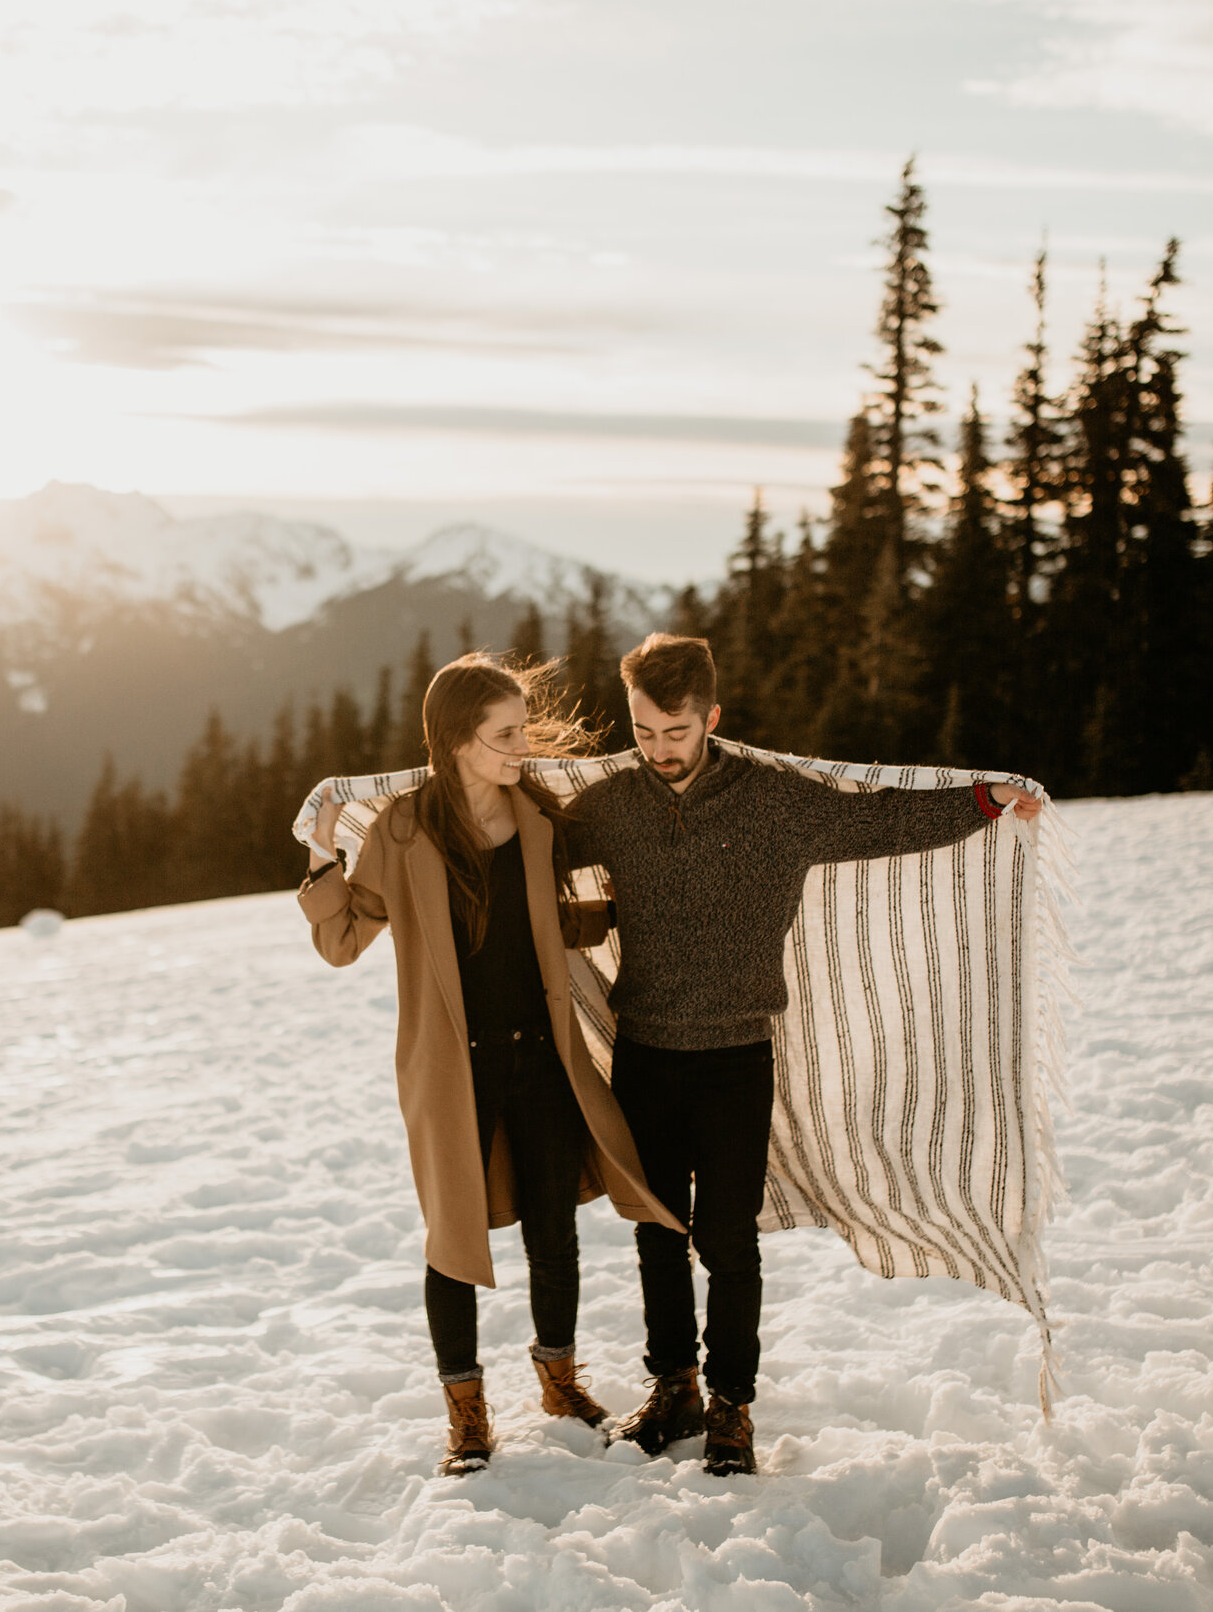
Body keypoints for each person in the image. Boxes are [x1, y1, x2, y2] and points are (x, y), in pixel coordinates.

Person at [567, 633, 1043, 1476]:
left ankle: (731, 1404)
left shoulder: (773, 802)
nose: (659, 749)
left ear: (712, 717)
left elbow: (879, 819)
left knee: (727, 1241)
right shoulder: (610, 805)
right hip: (643, 1053)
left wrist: (983, 799)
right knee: (655, 1231)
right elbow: (514, 845)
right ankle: (674, 1387)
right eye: (642, 731)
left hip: (735, 1060)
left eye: (675, 731)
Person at [300, 653, 682, 1477]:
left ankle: (559, 1382)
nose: (521, 747)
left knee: (555, 1230)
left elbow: (547, 921)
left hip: (543, 1056)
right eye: (504, 734)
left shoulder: (537, 815)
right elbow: (343, 940)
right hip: (451, 1068)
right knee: (452, 1240)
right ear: (457, 740)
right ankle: (467, 1414)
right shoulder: (403, 830)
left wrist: (635, 910)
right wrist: (323, 857)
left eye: (523, 730)